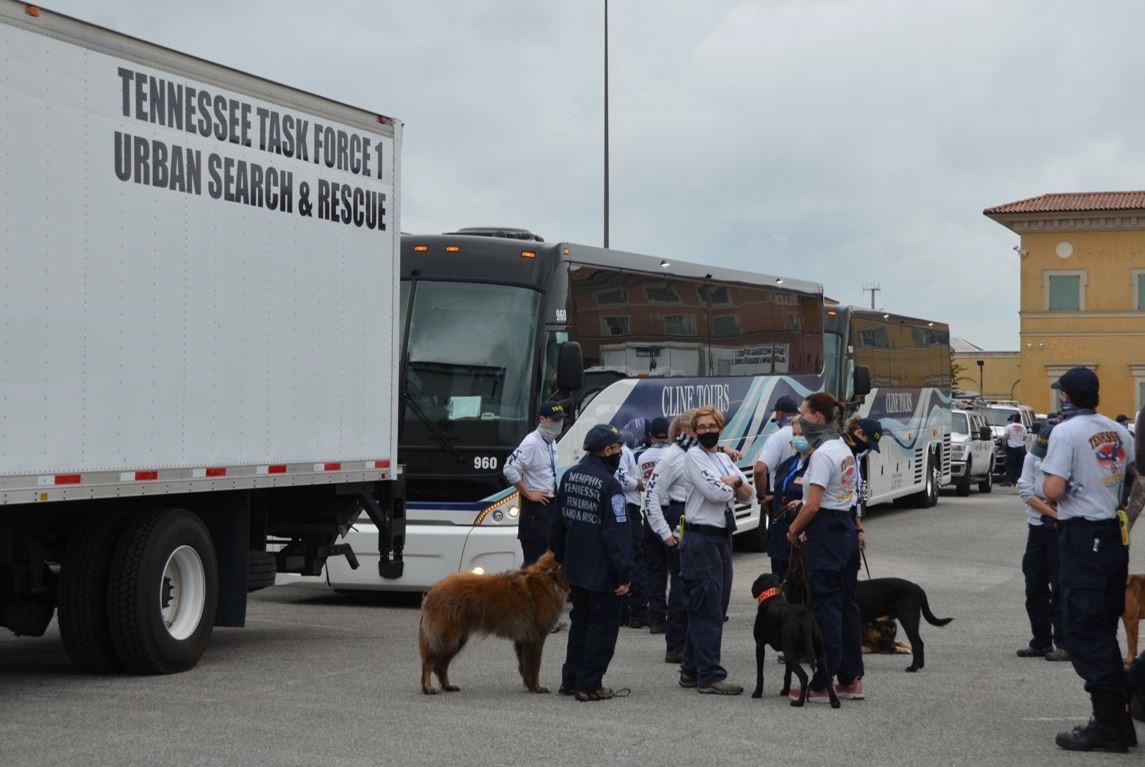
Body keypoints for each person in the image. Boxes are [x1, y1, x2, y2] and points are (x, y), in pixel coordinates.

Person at [1041, 367, 1136, 752]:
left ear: (1066, 397)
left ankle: (1109, 724)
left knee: (1082, 627)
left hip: (1083, 535)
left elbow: (1053, 488)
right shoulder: (1118, 430)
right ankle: (1117, 717)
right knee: (1102, 623)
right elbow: (1132, 473)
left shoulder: (1065, 432)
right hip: (1113, 534)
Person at [785, 392, 864, 702]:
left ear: (816, 417)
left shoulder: (821, 455)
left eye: (803, 413)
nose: (800, 419)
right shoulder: (842, 448)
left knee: (826, 608)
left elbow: (813, 505)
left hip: (827, 533)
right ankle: (850, 677)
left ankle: (822, 680)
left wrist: (793, 529)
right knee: (846, 606)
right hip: (844, 529)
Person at [549, 424, 633, 702]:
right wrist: (624, 574)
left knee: (581, 623)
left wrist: (561, 559)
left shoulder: (570, 476)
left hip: (575, 567)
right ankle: (590, 684)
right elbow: (616, 533)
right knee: (603, 628)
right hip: (603, 571)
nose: (620, 452)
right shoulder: (611, 486)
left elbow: (557, 525)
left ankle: (571, 680)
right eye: (618, 448)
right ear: (607, 450)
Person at [677, 406, 753, 695]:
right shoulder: (694, 457)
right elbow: (717, 493)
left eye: (713, 426)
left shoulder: (722, 458)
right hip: (700, 541)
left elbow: (749, 494)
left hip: (722, 539)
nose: (708, 431)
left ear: (721, 429)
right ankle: (709, 675)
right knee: (706, 608)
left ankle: (691, 669)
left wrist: (732, 483)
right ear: (694, 431)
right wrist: (733, 484)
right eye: (703, 427)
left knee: (715, 607)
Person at [643, 411, 697, 664]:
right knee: (681, 585)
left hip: (703, 521)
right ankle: (676, 645)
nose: (695, 433)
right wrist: (665, 533)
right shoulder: (672, 457)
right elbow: (651, 496)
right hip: (680, 517)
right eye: (690, 428)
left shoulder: (703, 454)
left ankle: (692, 641)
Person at [1015, 424, 1068, 662]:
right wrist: (1051, 512)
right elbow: (1025, 489)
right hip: (1037, 528)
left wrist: (1057, 517)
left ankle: (1064, 643)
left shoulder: (1069, 459)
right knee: (1034, 585)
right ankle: (1041, 641)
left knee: (1061, 587)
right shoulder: (1032, 457)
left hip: (1061, 532)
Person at [503, 401, 567, 567]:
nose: (558, 424)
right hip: (536, 510)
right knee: (535, 564)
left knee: (550, 559)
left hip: (550, 505)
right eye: (554, 420)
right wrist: (529, 494)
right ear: (542, 419)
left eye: (560, 420)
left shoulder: (551, 440)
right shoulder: (531, 442)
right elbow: (509, 468)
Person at [767, 417, 811, 606]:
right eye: (795, 434)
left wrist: (801, 503)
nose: (798, 438)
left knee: (800, 594)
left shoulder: (817, 463)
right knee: (782, 590)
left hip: (800, 539)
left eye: (802, 434)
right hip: (779, 538)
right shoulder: (787, 465)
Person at [616, 438, 648, 628]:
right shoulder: (622, 451)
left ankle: (625, 612)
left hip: (624, 508)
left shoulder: (619, 451)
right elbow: (621, 479)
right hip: (629, 508)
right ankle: (637, 612)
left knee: (624, 558)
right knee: (636, 559)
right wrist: (638, 484)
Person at [754, 395, 800, 506]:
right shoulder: (808, 434)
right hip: (800, 497)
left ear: (780, 414)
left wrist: (762, 496)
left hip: (779, 497)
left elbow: (759, 470)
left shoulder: (777, 437)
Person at [1003, 414, 1029, 487]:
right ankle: (1017, 480)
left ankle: (1008, 480)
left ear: (1014, 418)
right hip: (1020, 448)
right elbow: (1025, 438)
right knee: (1019, 465)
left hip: (1011, 448)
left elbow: (1006, 436)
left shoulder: (1009, 427)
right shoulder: (1023, 427)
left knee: (1009, 465)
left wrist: (1006, 441)